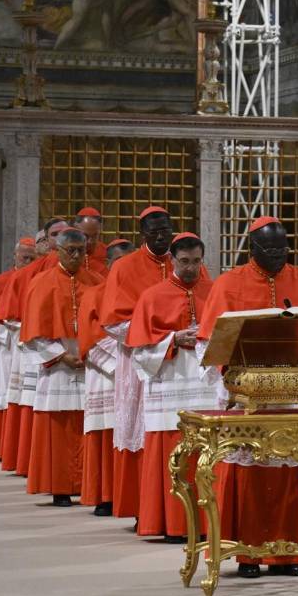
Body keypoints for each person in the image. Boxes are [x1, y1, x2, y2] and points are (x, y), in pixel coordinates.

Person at [196, 216, 298, 579]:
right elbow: (210, 343)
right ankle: (248, 554)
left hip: (293, 391)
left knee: (292, 468)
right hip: (248, 393)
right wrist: (230, 378)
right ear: (252, 248)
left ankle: (291, 553)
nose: (278, 256)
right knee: (249, 473)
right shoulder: (229, 283)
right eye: (270, 250)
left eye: (283, 248)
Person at [127, 233, 219, 540]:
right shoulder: (152, 296)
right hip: (170, 380)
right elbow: (139, 351)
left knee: (208, 451)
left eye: (196, 261)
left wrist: (205, 339)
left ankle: (209, 524)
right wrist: (173, 338)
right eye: (184, 262)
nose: (191, 268)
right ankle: (172, 524)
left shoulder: (215, 292)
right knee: (172, 451)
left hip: (206, 383)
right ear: (172, 260)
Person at [98, 206, 178, 520]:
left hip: (179, 366)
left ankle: (174, 506)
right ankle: (141, 508)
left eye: (165, 230)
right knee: (141, 433)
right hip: (139, 360)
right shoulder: (124, 267)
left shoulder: (184, 262)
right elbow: (113, 323)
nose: (161, 237)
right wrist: (161, 337)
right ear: (142, 234)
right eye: (154, 231)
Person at [20, 228, 102, 504]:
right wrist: (61, 355)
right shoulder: (41, 283)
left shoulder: (96, 282)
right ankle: (60, 488)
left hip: (90, 363)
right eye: (72, 251)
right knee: (59, 429)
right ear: (58, 251)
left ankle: (85, 485)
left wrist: (90, 352)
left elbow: (104, 326)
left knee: (86, 427)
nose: (78, 256)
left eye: (82, 250)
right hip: (57, 366)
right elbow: (31, 334)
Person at [0, 218, 67, 476]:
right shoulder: (29, 274)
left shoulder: (82, 270)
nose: (60, 239)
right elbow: (10, 316)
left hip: (70, 351)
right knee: (32, 403)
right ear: (46, 240)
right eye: (55, 234)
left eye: (65, 233)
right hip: (35, 347)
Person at [78, 240, 134, 516]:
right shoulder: (94, 293)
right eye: (119, 261)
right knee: (104, 432)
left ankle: (126, 495)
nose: (124, 267)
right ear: (109, 264)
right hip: (106, 374)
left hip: (137, 373)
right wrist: (122, 362)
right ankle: (104, 495)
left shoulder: (140, 292)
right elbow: (90, 337)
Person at [0, 237, 36, 458]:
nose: (27, 261)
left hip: (29, 347)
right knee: (5, 394)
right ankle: (1, 447)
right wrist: (10, 332)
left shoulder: (35, 280)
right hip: (7, 348)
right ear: (15, 255)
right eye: (24, 257)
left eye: (32, 258)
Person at [73, 207, 108, 277]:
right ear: (75, 228)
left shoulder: (107, 253)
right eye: (85, 236)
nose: (90, 241)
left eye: (95, 235)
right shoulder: (67, 253)